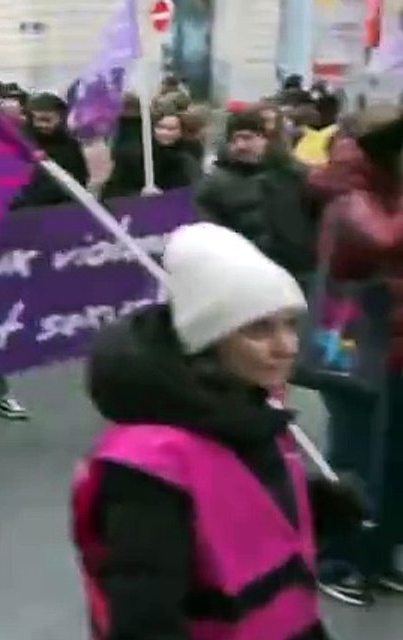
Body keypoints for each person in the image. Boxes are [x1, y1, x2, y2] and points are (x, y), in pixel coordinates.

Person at [72, 222, 366, 640]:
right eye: (259, 329)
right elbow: (143, 616)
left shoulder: (247, 407)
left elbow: (232, 518)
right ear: (210, 340)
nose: (287, 346)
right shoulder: (147, 467)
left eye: (289, 324)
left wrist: (315, 506)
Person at [305, 108, 403, 603]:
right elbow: (384, 239)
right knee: (353, 457)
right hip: (351, 350)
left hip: (393, 348)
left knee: (393, 462)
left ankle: (378, 554)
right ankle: (336, 558)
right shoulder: (349, 196)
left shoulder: (387, 188)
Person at [193, 108, 319, 280]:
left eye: (248, 137)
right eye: (234, 139)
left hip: (298, 274)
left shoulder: (295, 176)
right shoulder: (213, 186)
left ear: (266, 139)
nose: (241, 145)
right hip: (245, 278)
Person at [101, 109, 198, 199]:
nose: (165, 133)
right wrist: (138, 195)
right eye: (160, 127)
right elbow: (114, 190)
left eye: (171, 129)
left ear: (180, 132)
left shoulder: (187, 159)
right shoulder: (133, 155)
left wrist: (165, 197)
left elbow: (193, 192)